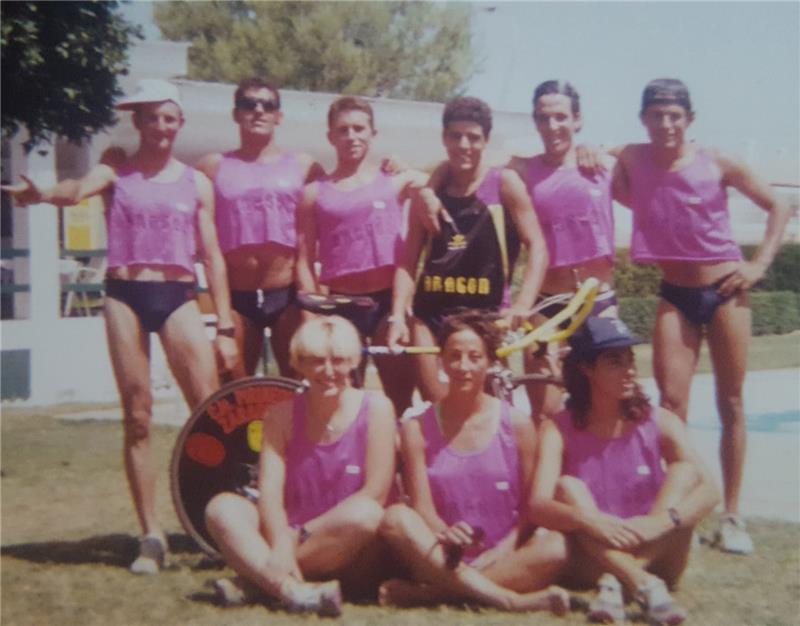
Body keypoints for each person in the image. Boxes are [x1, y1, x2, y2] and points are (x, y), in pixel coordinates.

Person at [1, 79, 238, 573]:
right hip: (125, 294)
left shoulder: (196, 182)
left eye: (169, 118)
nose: (161, 127)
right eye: (152, 118)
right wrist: (41, 193)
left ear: (180, 123)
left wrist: (225, 325)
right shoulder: (115, 170)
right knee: (138, 417)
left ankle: (216, 525)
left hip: (177, 295)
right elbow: (74, 191)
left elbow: (213, 256)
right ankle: (151, 535)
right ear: (138, 122)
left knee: (210, 412)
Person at [612, 78, 792, 554]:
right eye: (656, 115)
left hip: (727, 290)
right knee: (671, 407)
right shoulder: (631, 156)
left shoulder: (718, 162)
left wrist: (759, 265)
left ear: (689, 120)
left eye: (674, 116)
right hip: (675, 294)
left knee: (731, 402)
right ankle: (678, 513)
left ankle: (731, 515)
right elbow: (592, 159)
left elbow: (779, 205)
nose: (665, 124)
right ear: (643, 119)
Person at [529, 316, 720, 625]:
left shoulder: (659, 420)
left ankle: (623, 578)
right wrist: (590, 521)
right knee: (567, 486)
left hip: (658, 554)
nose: (630, 370)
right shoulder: (558, 428)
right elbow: (537, 505)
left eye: (630, 359)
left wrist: (662, 522)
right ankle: (640, 583)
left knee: (685, 471)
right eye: (615, 362)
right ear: (586, 368)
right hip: (595, 558)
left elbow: (710, 491)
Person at [203, 315, 397, 616]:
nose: (328, 371)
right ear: (298, 364)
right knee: (222, 508)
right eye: (317, 361)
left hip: (352, 543)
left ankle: (257, 582)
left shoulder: (377, 408)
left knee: (366, 513)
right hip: (289, 532)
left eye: (339, 360)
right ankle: (293, 590)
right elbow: (269, 492)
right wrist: (281, 538)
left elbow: (376, 492)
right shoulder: (280, 415)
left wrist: (294, 538)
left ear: (354, 362)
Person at [379, 310, 569, 614]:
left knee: (556, 547)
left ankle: (435, 594)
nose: (463, 367)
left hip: (503, 554)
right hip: (441, 554)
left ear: (491, 362)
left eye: (474, 357)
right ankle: (508, 600)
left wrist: (506, 547)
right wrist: (445, 533)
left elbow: (529, 509)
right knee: (396, 518)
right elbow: (422, 509)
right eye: (454, 357)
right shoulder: (417, 427)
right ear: (441, 361)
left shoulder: (517, 425)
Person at [388, 96, 549, 407]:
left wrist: (523, 303)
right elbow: (407, 262)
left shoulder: (504, 184)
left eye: (473, 137)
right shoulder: (429, 193)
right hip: (431, 316)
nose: (464, 145)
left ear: (486, 141)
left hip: (486, 317)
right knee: (438, 409)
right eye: (455, 136)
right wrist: (397, 316)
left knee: (493, 412)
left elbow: (538, 247)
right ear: (444, 138)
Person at [295, 96, 427, 412]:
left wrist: (406, 166)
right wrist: (312, 316)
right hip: (341, 306)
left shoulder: (395, 182)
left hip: (387, 304)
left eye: (359, 129)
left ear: (373, 134)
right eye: (343, 130)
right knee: (342, 401)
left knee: (400, 400)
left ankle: (398, 445)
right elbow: (303, 260)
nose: (352, 137)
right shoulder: (314, 194)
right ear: (331, 137)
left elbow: (434, 184)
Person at [196, 78, 324, 378]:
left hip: (287, 295)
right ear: (236, 114)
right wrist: (115, 165)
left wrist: (395, 169)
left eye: (267, 105)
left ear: (279, 116)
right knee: (234, 391)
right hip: (236, 298)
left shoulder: (304, 166)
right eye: (248, 104)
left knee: (300, 388)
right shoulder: (212, 166)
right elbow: (165, 186)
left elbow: (345, 192)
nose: (258, 111)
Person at [507, 80, 618, 424]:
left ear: (577, 120)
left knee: (605, 407)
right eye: (544, 118)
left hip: (598, 302)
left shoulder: (604, 164)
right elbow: (470, 160)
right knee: (545, 413)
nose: (552, 126)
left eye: (560, 117)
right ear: (535, 122)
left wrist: (595, 148)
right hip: (547, 305)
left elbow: (647, 155)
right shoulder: (522, 170)